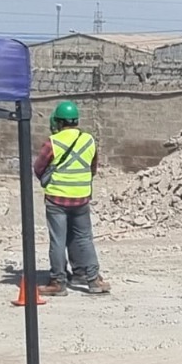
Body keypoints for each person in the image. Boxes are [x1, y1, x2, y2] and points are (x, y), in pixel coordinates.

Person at [34, 100, 109, 296]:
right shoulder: (89, 140)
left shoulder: (54, 142)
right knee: (84, 238)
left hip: (57, 199)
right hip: (81, 198)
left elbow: (39, 168)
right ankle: (92, 279)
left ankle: (58, 282)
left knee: (58, 240)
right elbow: (93, 168)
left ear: (58, 122)